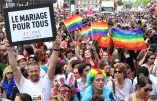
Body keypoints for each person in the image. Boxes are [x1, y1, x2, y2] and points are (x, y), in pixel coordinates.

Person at [5, 37, 61, 101]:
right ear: (28, 72)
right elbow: (14, 68)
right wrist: (9, 50)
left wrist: (56, 48)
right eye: (31, 71)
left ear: (40, 71)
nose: (34, 73)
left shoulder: (47, 80)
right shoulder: (22, 82)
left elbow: (53, 65)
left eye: (36, 71)